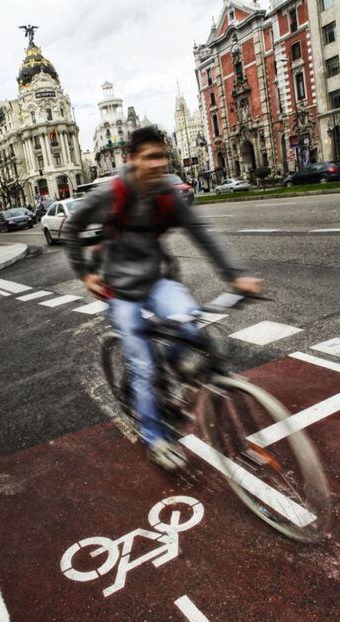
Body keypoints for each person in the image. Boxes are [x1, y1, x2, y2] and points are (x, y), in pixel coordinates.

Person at [64, 126, 262, 471]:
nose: (159, 164)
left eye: (163, 156)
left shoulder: (166, 193)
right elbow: (72, 227)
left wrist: (235, 276)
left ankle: (178, 363)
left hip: (158, 282)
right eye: (150, 157)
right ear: (131, 159)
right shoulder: (111, 194)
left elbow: (201, 233)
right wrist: (85, 273)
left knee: (190, 321)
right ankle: (156, 437)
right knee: (141, 365)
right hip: (122, 291)